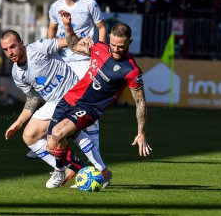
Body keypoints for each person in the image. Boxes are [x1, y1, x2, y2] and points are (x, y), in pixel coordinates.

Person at [45, 10, 152, 187]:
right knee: (51, 146)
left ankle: (59, 172)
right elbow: (73, 46)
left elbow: (140, 102)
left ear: (129, 43)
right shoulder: (100, 48)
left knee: (58, 134)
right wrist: (68, 26)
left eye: (121, 46)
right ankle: (100, 171)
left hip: (89, 108)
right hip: (69, 99)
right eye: (114, 45)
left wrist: (141, 132)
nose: (116, 50)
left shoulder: (132, 71)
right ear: (109, 39)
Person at [0, 30, 110, 188]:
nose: (10, 52)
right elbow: (32, 98)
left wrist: (81, 39)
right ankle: (69, 169)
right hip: (54, 103)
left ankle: (102, 171)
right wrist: (18, 123)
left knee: (69, 133)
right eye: (5, 49)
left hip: (73, 94)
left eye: (12, 47)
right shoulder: (17, 74)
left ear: (21, 42)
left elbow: (68, 42)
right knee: (29, 136)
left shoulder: (38, 48)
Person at [47, 0, 107, 156]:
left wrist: (100, 52)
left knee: (88, 105)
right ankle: (53, 143)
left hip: (84, 62)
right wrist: (52, 52)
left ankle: (95, 147)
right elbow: (51, 29)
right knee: (58, 103)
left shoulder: (89, 4)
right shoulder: (55, 6)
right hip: (64, 63)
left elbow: (102, 28)